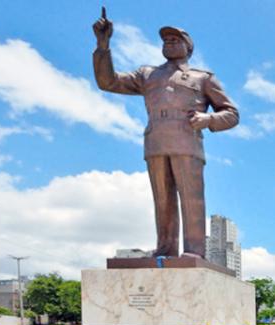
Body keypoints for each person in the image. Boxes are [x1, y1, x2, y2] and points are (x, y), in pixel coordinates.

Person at [92, 8, 239, 258]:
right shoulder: (148, 74)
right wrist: (103, 45)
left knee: (192, 200)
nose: (169, 43)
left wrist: (208, 118)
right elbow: (108, 82)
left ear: (188, 48)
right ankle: (166, 247)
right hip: (156, 142)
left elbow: (232, 114)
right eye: (166, 40)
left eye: (175, 40)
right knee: (163, 199)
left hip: (187, 142)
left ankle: (194, 252)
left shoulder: (202, 78)